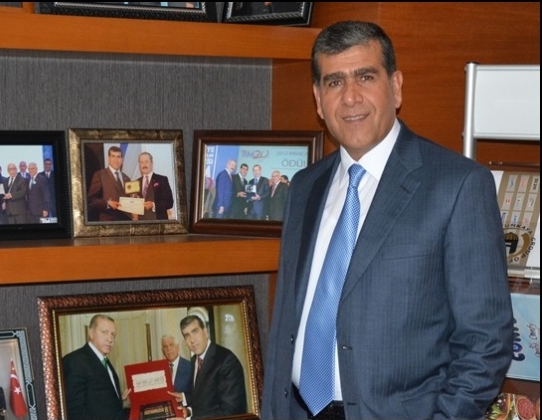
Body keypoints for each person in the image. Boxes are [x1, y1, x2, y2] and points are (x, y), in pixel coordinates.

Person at [261, 21, 513, 420]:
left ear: (395, 87)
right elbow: (286, 327)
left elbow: (487, 342)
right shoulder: (305, 187)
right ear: (318, 100)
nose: (350, 97)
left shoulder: (458, 186)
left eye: (365, 77)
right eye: (334, 82)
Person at [168, 315, 246, 419]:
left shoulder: (227, 360)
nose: (192, 340)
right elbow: (205, 396)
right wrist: (188, 409)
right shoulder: (194, 360)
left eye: (195, 332)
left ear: (205, 332)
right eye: (187, 336)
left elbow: (230, 411)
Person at [62, 314, 131, 420]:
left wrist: (120, 400)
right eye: (104, 332)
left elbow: (99, 400)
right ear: (91, 333)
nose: (110, 339)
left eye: (113, 334)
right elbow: (75, 412)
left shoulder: (104, 360)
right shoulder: (75, 361)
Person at [87, 146, 132, 222]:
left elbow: (130, 199)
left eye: (118, 157)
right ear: (108, 159)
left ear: (122, 160)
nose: (116, 160)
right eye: (113, 156)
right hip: (108, 221)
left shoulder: (127, 178)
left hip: (126, 221)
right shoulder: (100, 175)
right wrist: (107, 203)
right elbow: (91, 199)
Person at [135, 152, 174, 220]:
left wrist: (153, 205)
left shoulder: (162, 179)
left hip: (159, 222)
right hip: (141, 223)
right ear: (139, 165)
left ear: (152, 163)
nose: (144, 165)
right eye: (141, 162)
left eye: (146, 161)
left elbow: (169, 202)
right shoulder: (135, 183)